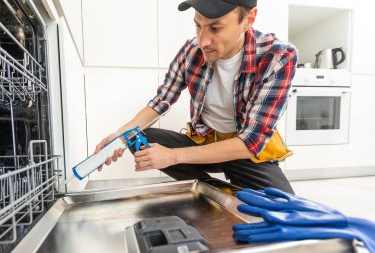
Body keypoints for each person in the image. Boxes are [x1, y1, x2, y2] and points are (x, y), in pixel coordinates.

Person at [95, 0, 298, 193]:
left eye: (215, 28)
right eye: (198, 26)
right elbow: (161, 101)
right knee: (138, 137)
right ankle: (210, 190)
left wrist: (173, 156)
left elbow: (250, 141)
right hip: (204, 143)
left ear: (249, 19)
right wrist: (121, 134)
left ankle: (228, 187)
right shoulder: (192, 51)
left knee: (286, 210)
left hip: (244, 151)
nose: (203, 41)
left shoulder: (277, 57)